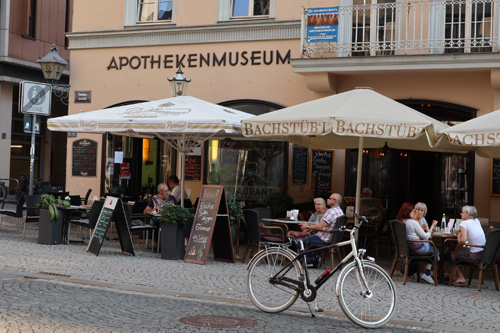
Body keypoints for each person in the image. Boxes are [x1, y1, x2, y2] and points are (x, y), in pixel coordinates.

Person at [396, 202, 438, 284]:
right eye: (414, 211)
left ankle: (424, 272)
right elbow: (426, 237)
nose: (416, 212)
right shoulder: (412, 222)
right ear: (407, 212)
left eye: (421, 210)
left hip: (406, 248)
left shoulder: (400, 221)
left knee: (432, 246)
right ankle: (427, 273)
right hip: (416, 248)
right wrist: (433, 226)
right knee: (436, 250)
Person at [298, 193, 344, 267]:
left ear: (335, 201)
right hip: (333, 239)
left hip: (324, 238)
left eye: (329, 198)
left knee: (300, 241)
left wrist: (307, 227)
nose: (327, 200)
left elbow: (320, 227)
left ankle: (312, 259)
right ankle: (309, 259)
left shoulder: (331, 211)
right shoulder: (340, 211)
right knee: (305, 238)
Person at [451, 205, 486, 286]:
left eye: (462, 212)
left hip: (475, 255)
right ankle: (454, 275)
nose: (460, 214)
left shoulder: (464, 223)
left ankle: (460, 277)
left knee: (453, 253)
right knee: (459, 251)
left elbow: (462, 241)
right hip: (484, 253)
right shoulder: (476, 221)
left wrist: (458, 235)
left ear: (468, 214)